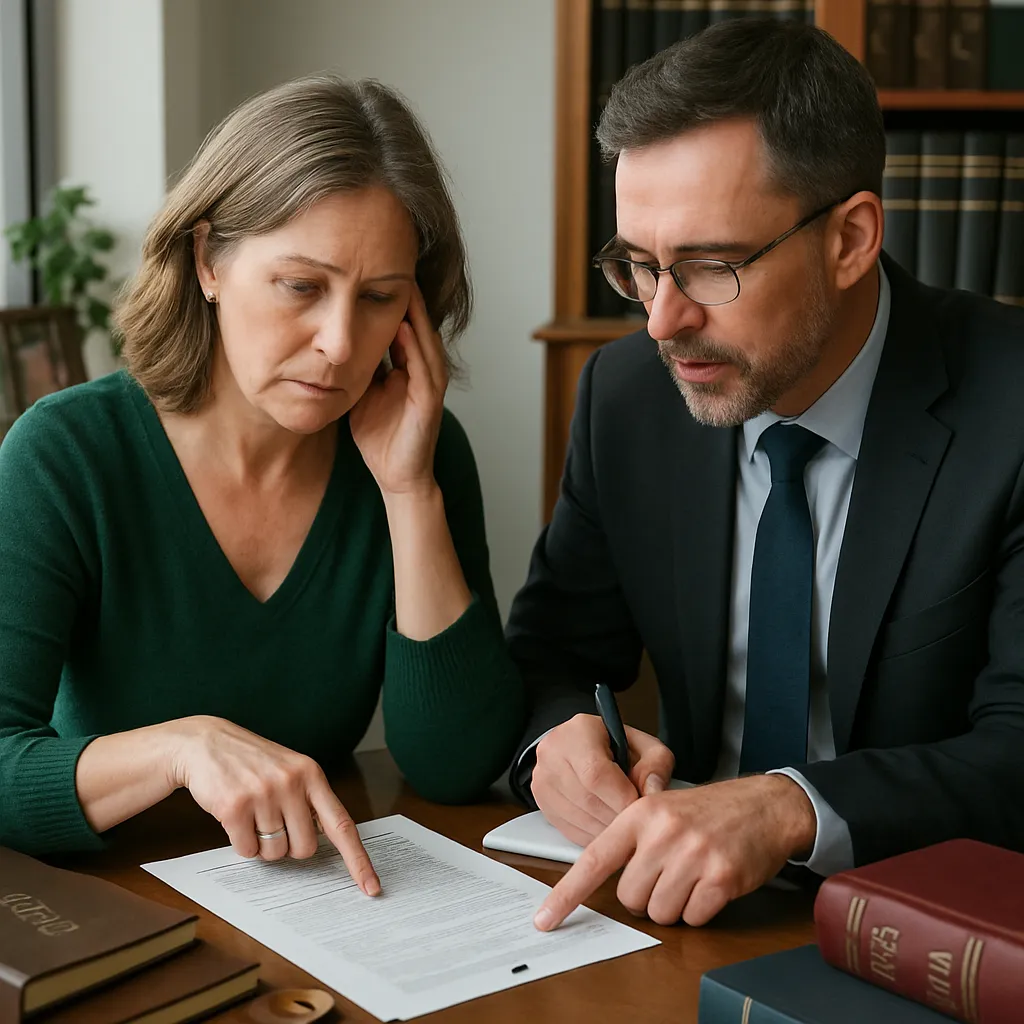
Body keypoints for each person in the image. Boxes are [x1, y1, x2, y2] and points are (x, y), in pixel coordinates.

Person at [506, 18, 1024, 932]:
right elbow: (554, 655)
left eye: (708, 265)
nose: (661, 321)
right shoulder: (626, 397)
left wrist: (787, 808)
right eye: (637, 264)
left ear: (851, 239)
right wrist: (558, 739)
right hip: (675, 915)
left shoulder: (1012, 406)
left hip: (933, 926)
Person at [0, 74, 525, 888]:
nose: (339, 342)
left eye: (380, 297)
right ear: (208, 259)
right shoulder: (67, 455)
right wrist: (183, 746)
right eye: (302, 287)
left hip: (318, 908)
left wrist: (409, 492)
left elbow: (454, 765)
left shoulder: (421, 456)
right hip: (117, 906)